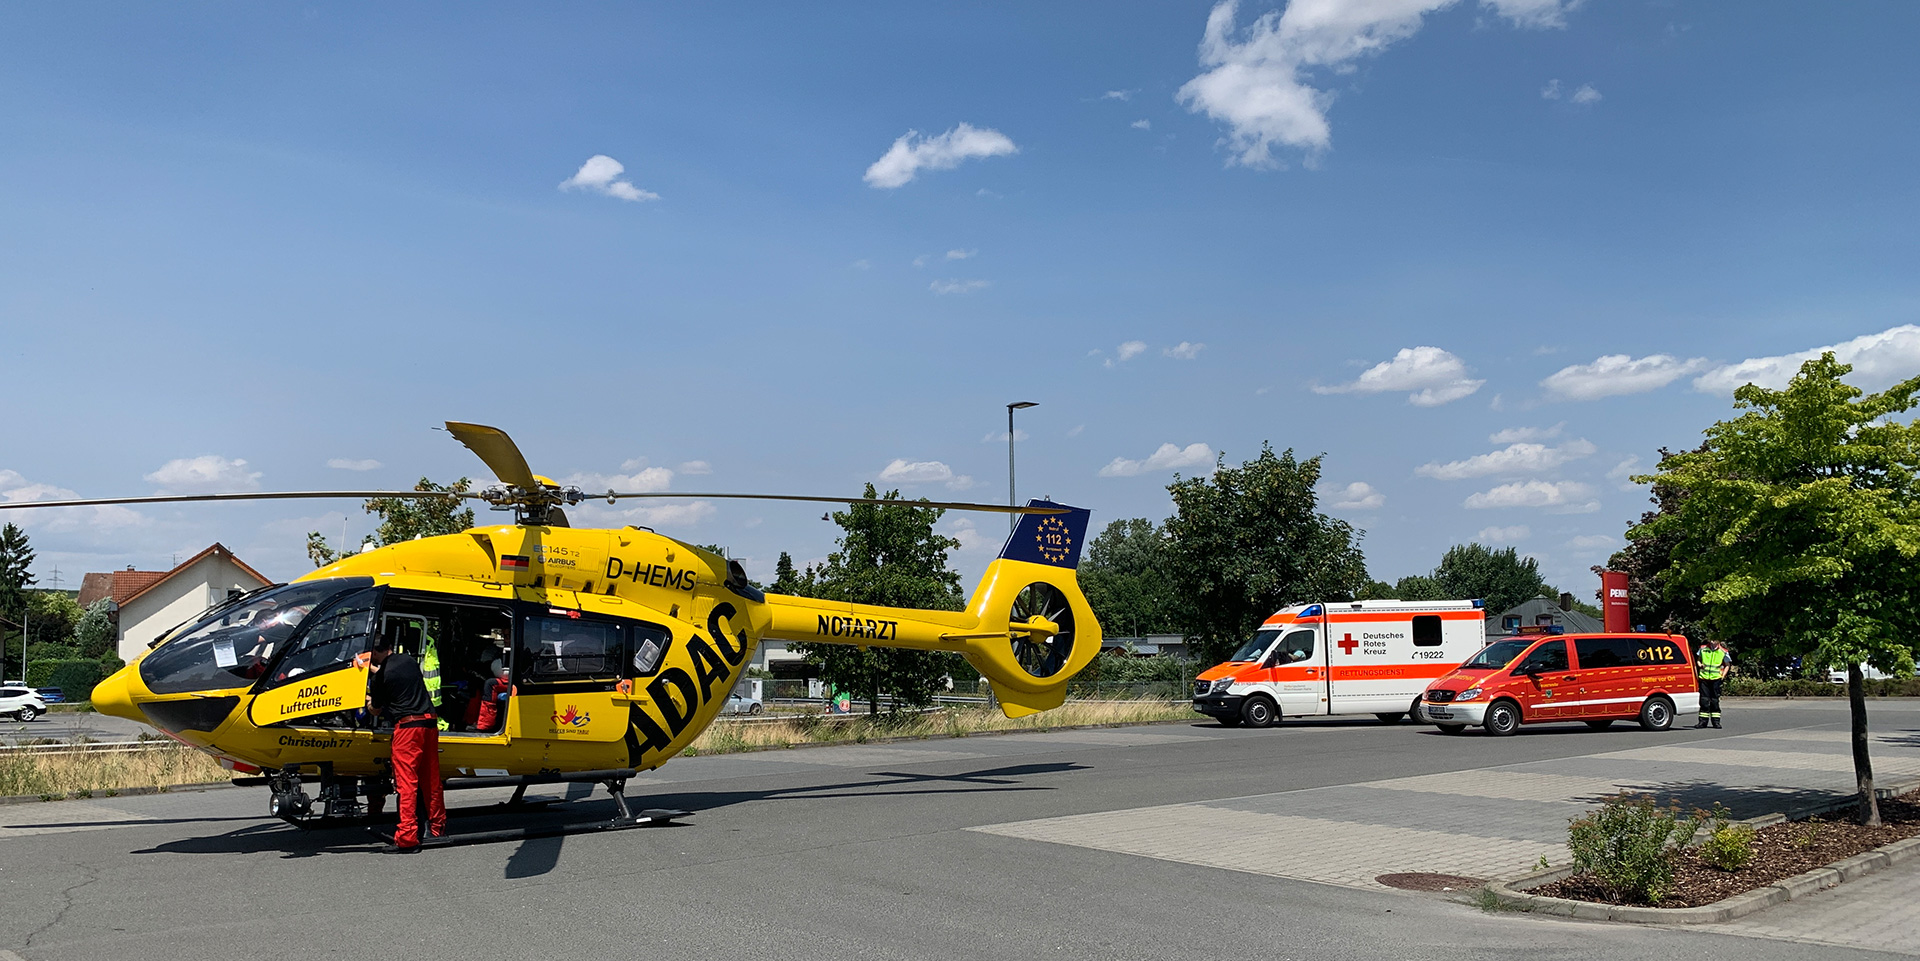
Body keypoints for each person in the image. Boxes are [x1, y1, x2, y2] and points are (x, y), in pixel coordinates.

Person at [368, 633, 446, 850]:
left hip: (408, 728)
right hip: (429, 724)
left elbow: (376, 707)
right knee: (431, 781)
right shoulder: (408, 660)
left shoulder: (379, 679)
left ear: (374, 653)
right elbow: (392, 673)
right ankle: (437, 828)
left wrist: (367, 702)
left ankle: (407, 835)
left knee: (407, 783)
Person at [1695, 638, 1731, 729]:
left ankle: (1716, 722)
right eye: (1711, 640)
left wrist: (1723, 676)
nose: (1712, 642)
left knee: (1714, 701)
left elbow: (1727, 665)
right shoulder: (1703, 649)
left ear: (1718, 641)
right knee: (1704, 700)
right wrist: (1699, 664)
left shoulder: (1723, 651)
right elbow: (1698, 660)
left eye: (1714, 640)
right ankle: (1702, 722)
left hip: (1716, 679)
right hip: (1704, 678)